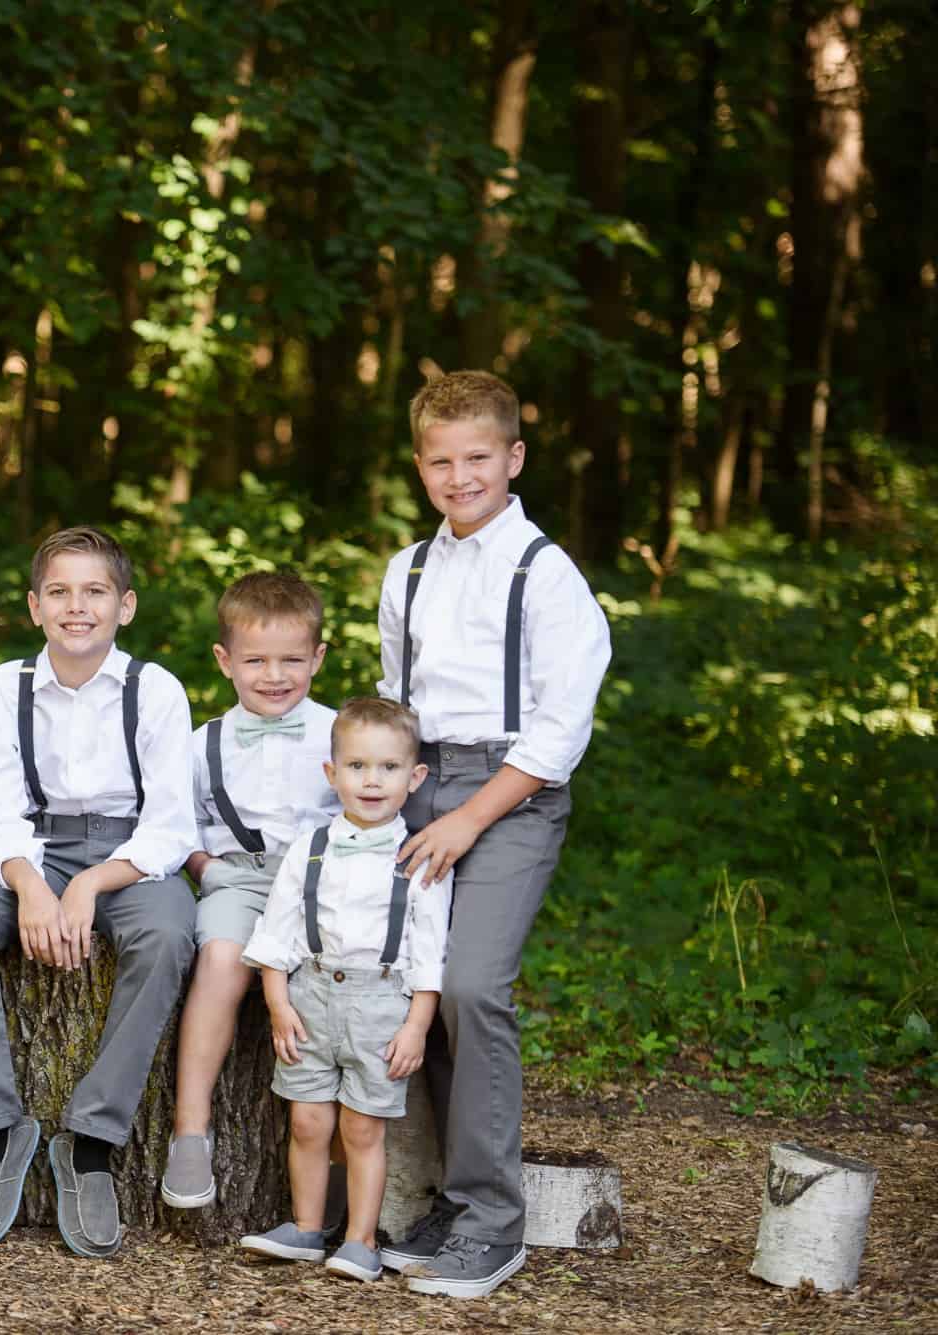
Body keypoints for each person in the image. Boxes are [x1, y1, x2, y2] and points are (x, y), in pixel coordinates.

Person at [375, 369, 612, 1297]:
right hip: (423, 783)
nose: (459, 475)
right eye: (441, 460)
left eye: (478, 457)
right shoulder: (409, 569)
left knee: (472, 986)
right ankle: (447, 1197)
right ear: (421, 466)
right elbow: (397, 700)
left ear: (514, 458)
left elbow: (561, 730)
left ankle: (495, 1221)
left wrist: (472, 814)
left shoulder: (548, 576)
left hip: (512, 793)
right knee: (415, 987)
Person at [0, 526, 197, 1258]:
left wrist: (92, 882)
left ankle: (92, 1140)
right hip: (31, 850)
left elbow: (171, 823)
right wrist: (33, 887)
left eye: (95, 591)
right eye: (61, 591)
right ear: (36, 606)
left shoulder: (157, 690)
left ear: (126, 605)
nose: (78, 607)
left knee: (170, 935)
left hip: (129, 858)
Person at [235, 697, 451, 1282]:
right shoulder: (309, 848)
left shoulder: (424, 857)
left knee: (362, 1126)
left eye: (388, 768)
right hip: (308, 997)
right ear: (332, 774)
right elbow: (276, 932)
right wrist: (278, 1005)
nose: (372, 780)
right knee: (307, 1120)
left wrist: (416, 1026)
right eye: (356, 767)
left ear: (415, 778)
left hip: (382, 1005)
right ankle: (306, 1228)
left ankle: (359, 1240)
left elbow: (430, 955)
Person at [160, 573, 339, 1211]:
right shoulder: (200, 742)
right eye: (256, 660)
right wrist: (207, 869)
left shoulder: (340, 734)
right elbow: (176, 823)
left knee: (337, 981)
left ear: (318, 658)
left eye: (293, 660)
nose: (274, 675)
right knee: (219, 960)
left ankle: (341, 1154)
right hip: (237, 875)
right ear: (225, 661)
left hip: (323, 883)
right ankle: (191, 1130)